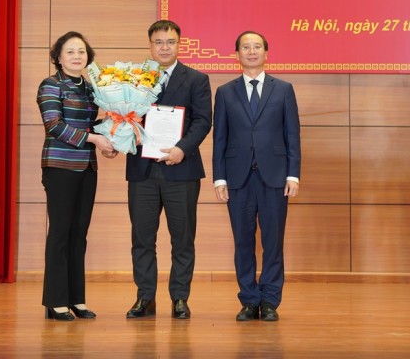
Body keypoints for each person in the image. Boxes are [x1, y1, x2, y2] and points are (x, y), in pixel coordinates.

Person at [125, 19, 212, 320]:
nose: (164, 47)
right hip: (142, 170)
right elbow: (124, 117)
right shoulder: (133, 79)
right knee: (142, 238)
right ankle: (145, 298)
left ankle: (180, 298)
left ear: (179, 44)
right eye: (159, 42)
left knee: (183, 238)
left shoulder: (196, 79)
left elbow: (202, 121)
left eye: (170, 42)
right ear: (150, 45)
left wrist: (181, 149)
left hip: (182, 170)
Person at [212, 30, 301, 322]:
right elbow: (220, 139)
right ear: (236, 55)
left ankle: (271, 300)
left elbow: (292, 135)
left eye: (257, 47)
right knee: (243, 242)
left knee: (273, 241)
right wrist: (219, 178)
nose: (251, 52)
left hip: (275, 177)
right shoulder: (225, 92)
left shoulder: (284, 89)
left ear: (266, 53)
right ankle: (249, 300)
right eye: (245, 47)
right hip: (238, 179)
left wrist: (293, 175)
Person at [37, 31, 117, 321]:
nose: (76, 56)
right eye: (70, 51)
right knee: (60, 233)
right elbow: (54, 126)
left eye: (81, 51)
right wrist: (95, 140)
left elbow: (90, 125)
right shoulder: (50, 85)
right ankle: (55, 301)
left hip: (87, 167)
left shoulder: (91, 88)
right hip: (59, 167)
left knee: (79, 235)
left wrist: (113, 132)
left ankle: (76, 299)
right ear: (58, 57)